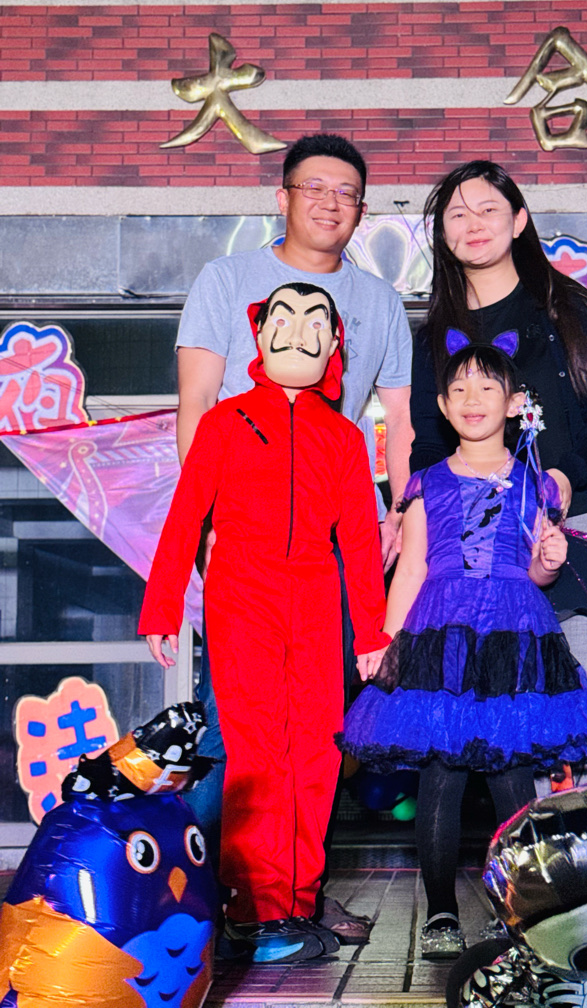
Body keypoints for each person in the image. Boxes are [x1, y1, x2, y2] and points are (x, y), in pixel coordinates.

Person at [176, 133, 413, 941]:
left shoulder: (379, 301)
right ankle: (213, 898)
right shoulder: (226, 280)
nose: (330, 203)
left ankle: (295, 895)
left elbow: (399, 421)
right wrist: (209, 523)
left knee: (317, 732)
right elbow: (197, 403)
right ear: (282, 197)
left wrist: (396, 510)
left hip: (329, 543)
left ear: (362, 210)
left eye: (347, 192)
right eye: (315, 187)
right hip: (244, 543)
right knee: (235, 730)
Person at [339, 339, 587, 961]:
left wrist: (550, 561)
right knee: (440, 775)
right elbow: (410, 570)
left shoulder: (537, 484)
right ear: (442, 405)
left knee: (511, 775)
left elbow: (537, 574)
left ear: (515, 403)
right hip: (439, 638)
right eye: (459, 388)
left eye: (488, 387)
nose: (472, 399)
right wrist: (383, 641)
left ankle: (516, 912)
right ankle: (440, 912)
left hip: (513, 637)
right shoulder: (427, 483)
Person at [140, 282, 390, 963]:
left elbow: (360, 540)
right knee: (255, 752)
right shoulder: (225, 422)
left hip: (316, 593)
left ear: (334, 343)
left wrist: (371, 631)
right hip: (241, 591)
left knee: (317, 748)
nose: (297, 330)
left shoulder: (343, 437)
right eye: (283, 316)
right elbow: (187, 514)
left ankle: (297, 903)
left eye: (315, 321)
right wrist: (163, 606)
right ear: (259, 333)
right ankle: (253, 913)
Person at [411, 160, 587, 785]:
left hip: (585, 522)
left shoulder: (568, 309)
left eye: (489, 209)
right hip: (488, 550)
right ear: (443, 234)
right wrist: (417, 524)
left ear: (519, 220)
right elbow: (427, 447)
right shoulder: (433, 336)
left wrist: (564, 475)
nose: (474, 224)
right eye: (457, 214)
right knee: (516, 721)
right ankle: (537, 850)